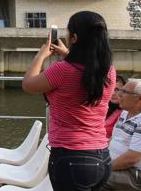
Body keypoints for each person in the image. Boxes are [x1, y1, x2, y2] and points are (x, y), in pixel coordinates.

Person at [22, 11, 116, 191]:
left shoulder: (62, 70)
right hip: (102, 157)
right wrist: (67, 54)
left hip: (71, 158)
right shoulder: (108, 70)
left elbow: (28, 84)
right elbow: (85, 72)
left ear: (74, 37)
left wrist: (40, 56)